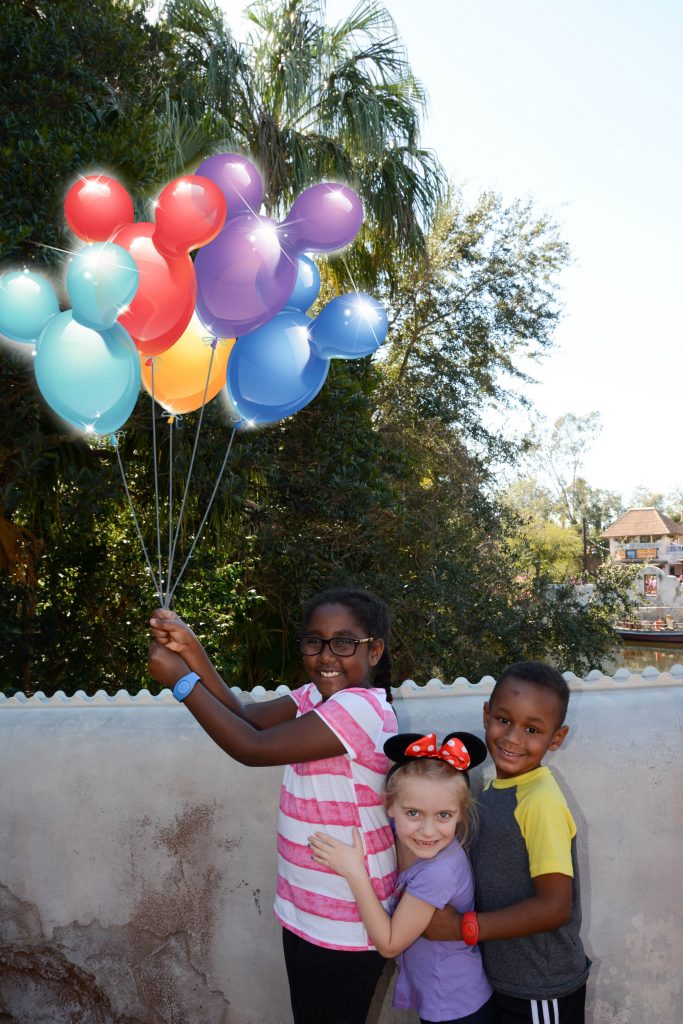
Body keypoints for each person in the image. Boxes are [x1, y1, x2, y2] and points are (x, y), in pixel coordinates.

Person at [147, 587, 398, 1024]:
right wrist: (193, 651)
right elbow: (246, 717)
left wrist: (182, 683)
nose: (326, 656)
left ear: (374, 650)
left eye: (343, 642)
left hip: (349, 917)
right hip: (307, 907)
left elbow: (251, 747)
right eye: (313, 641)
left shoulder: (362, 708)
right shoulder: (316, 699)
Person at [425, 660, 590, 1024]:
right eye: (504, 720)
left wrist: (460, 928)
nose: (514, 738)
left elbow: (554, 907)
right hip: (505, 980)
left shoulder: (540, 801)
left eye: (532, 729)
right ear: (486, 716)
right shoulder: (491, 793)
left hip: (541, 988)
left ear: (556, 738)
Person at [309, 730, 494, 1024]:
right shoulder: (406, 842)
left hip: (458, 1009)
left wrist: (354, 872)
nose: (428, 830)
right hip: (443, 1000)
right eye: (413, 813)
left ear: (461, 814)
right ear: (389, 806)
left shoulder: (439, 871)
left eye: (444, 815)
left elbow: (390, 943)